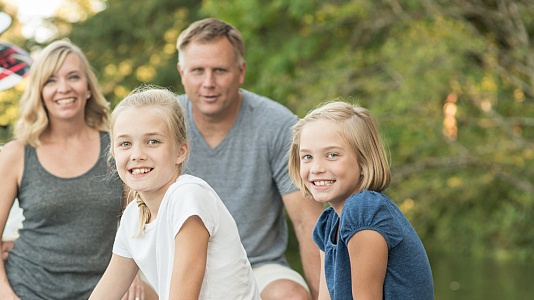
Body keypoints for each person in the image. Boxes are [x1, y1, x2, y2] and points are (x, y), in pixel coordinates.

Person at [175, 18, 323, 299]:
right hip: (175, 265)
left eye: (219, 70)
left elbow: (308, 223)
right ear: (182, 72)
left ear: (240, 71)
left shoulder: (278, 125)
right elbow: (134, 210)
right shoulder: (163, 123)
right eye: (197, 71)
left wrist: (323, 296)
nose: (208, 83)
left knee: (291, 296)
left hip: (258, 267)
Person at [0, 40, 123, 300]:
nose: (63, 88)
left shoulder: (117, 148)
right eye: (51, 81)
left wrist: (135, 276)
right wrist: (4, 293)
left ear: (88, 87)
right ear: (40, 91)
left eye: (73, 77)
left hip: (104, 292)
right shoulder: (17, 154)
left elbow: (140, 226)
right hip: (28, 288)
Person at [90, 87, 260, 299]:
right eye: (125, 143)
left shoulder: (187, 195)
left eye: (153, 141)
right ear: (114, 153)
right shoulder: (133, 216)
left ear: (180, 151)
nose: (137, 154)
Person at [288, 101, 434, 299]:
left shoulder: (365, 210)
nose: (316, 168)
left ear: (363, 161)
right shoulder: (328, 223)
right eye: (307, 157)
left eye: (332, 155)